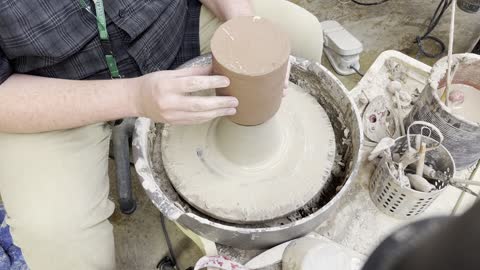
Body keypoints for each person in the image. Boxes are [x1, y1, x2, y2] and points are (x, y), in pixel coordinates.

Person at [0, 0, 324, 269]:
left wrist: (240, 23)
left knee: (301, 37)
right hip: (57, 83)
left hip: (171, 27)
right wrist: (134, 97)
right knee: (56, 235)